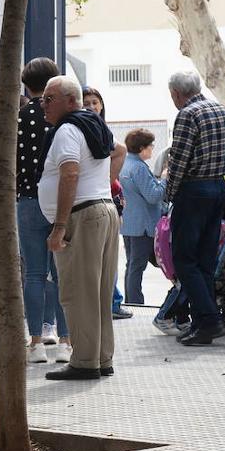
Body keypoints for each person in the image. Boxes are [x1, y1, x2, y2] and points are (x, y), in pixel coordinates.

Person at [39, 76, 122, 381]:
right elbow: (121, 149)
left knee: (77, 293)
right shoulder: (93, 124)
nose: (43, 104)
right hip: (102, 210)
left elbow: (70, 174)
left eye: (50, 99)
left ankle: (86, 361)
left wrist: (60, 226)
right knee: (98, 292)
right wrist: (103, 187)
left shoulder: (68, 130)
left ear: (69, 101)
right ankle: (101, 357)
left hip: (83, 217)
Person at [164, 70, 225, 346]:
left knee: (184, 260)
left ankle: (209, 319)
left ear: (177, 93)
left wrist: (169, 195)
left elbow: (179, 160)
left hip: (193, 191)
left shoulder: (187, 115)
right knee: (205, 260)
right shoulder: (222, 110)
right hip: (218, 187)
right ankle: (203, 324)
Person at [16, 58, 71, 364]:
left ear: (26, 83)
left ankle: (35, 342)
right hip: (58, 199)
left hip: (27, 199)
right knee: (61, 273)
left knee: (34, 274)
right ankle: (65, 342)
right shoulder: (61, 116)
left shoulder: (21, 116)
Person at [83, 85, 132, 320]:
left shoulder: (103, 130)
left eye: (95, 102)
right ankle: (110, 302)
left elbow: (118, 153)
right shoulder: (87, 130)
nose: (92, 106)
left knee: (108, 255)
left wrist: (107, 183)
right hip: (101, 199)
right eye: (87, 102)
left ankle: (112, 301)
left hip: (109, 199)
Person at [119, 128, 167, 305]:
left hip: (129, 224)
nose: (152, 149)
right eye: (150, 146)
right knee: (137, 266)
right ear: (141, 148)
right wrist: (164, 179)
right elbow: (153, 195)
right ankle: (135, 302)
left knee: (131, 265)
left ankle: (131, 300)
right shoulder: (139, 168)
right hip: (143, 225)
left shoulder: (125, 163)